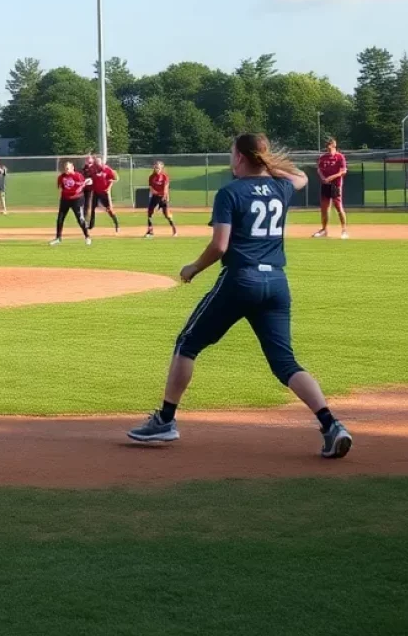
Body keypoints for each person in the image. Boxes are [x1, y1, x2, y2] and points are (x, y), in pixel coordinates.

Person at [128, 133, 353, 459]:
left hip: (240, 280)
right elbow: (302, 177)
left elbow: (220, 245)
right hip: (276, 283)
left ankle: (165, 420)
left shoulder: (230, 192)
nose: (230, 159)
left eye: (233, 154)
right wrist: (270, 166)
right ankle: (331, 425)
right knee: (285, 363)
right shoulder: (281, 187)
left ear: (241, 158)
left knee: (187, 344)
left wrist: (193, 267)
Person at [50, 161, 92, 246]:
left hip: (77, 199)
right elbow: (61, 187)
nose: (66, 170)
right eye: (65, 168)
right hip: (65, 200)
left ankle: (87, 237)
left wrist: (79, 188)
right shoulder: (61, 177)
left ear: (72, 167)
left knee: (80, 219)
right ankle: (58, 238)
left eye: (67, 168)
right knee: (60, 219)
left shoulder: (78, 176)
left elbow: (84, 185)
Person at [313, 138, 348, 239]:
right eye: (327, 144)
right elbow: (319, 169)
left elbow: (343, 171)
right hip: (325, 185)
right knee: (324, 208)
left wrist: (331, 177)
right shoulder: (323, 157)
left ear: (334, 145)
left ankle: (344, 230)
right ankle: (324, 230)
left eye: (329, 144)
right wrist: (323, 178)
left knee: (338, 207)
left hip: (336, 185)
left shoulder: (339, 157)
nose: (327, 146)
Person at [145, 161, 177, 238]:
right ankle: (150, 231)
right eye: (156, 167)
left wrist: (164, 196)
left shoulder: (165, 176)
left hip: (163, 197)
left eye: (158, 168)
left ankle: (174, 229)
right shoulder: (151, 177)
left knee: (167, 215)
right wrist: (156, 193)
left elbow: (166, 188)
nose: (157, 169)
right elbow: (151, 189)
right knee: (149, 212)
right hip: (155, 196)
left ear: (162, 168)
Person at [88, 159, 120, 232]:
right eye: (96, 164)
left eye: (98, 165)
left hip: (104, 192)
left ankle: (117, 224)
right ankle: (91, 226)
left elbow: (115, 178)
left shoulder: (107, 169)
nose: (97, 166)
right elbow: (90, 177)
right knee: (92, 208)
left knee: (110, 210)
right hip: (96, 192)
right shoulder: (93, 169)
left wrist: (109, 188)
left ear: (101, 163)